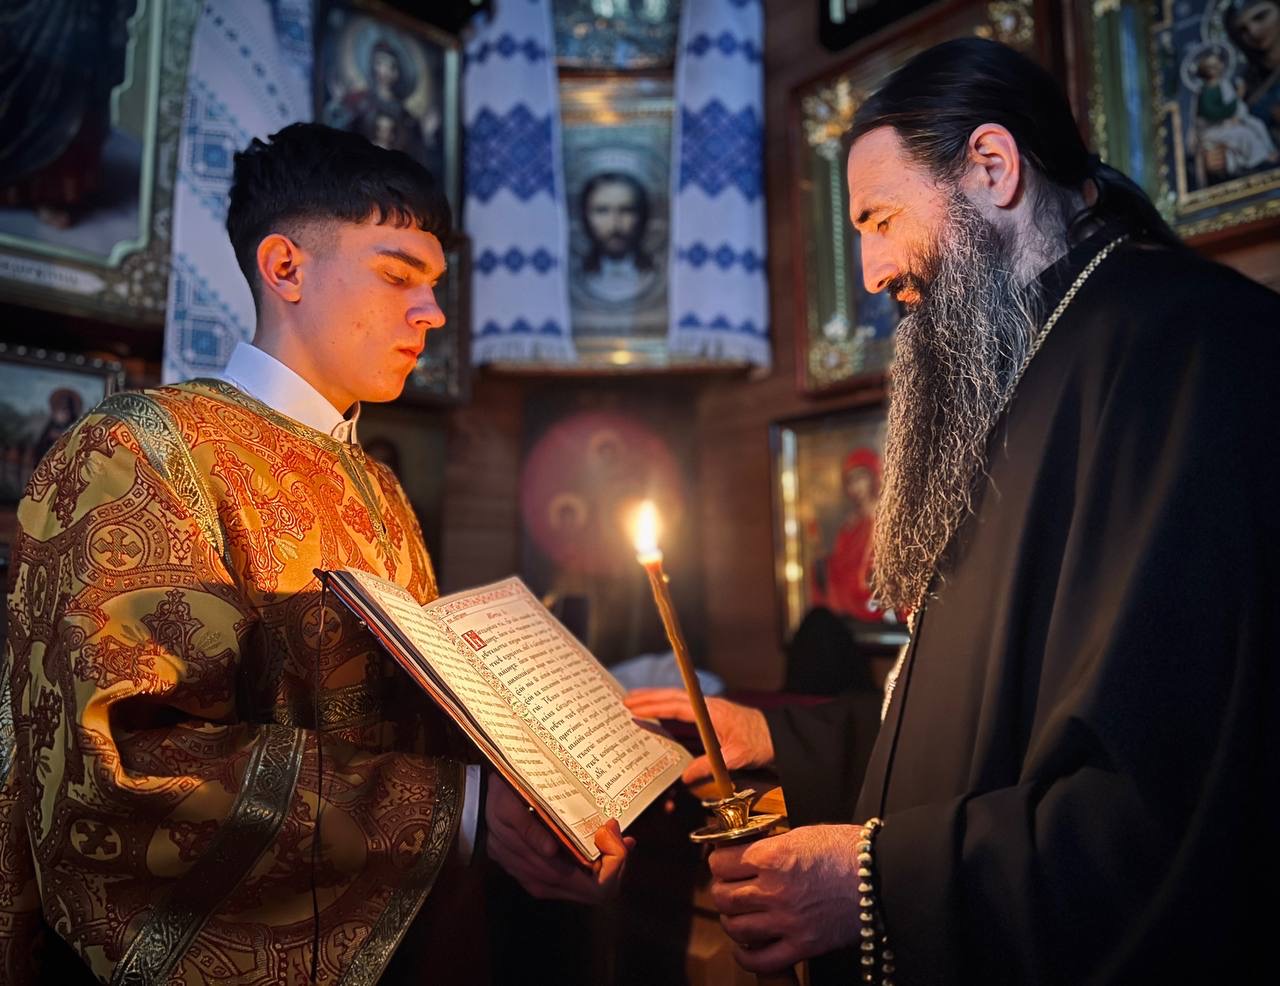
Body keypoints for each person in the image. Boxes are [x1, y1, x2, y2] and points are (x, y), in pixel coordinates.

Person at [627, 37, 1278, 985]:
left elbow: (1176, 797)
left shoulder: (1191, 353)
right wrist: (778, 740)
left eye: (880, 218)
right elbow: (981, 720)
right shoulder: (1015, 356)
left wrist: (873, 880)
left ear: (992, 167)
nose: (870, 270)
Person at [0, 122, 627, 985]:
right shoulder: (141, 451)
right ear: (285, 268)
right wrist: (462, 811)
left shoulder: (379, 485)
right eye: (398, 275)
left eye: (435, 284)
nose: (433, 312)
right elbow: (119, 767)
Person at [578, 171, 656, 303]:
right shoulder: (578, 275)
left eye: (626, 210)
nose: (615, 225)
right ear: (586, 217)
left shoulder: (654, 274)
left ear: (642, 216)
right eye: (602, 211)